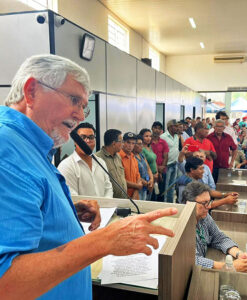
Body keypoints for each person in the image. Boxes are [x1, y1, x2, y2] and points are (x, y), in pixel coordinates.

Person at [0, 54, 177, 299]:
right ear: (31, 91)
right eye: (74, 99)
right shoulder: (5, 150)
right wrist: (104, 241)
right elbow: (5, 283)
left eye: (84, 106)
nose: (81, 116)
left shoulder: (30, 145)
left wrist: (65, 211)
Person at [182, 182, 247, 272]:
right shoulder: (183, 226)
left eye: (209, 202)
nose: (209, 206)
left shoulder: (204, 217)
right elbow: (191, 260)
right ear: (189, 203)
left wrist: (239, 253)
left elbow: (218, 237)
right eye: (204, 203)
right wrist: (228, 266)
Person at [58, 122, 113, 198]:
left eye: (91, 137)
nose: (87, 141)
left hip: (105, 209)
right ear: (75, 141)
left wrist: (106, 208)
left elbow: (108, 189)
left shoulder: (101, 162)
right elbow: (72, 197)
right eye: (83, 137)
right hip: (82, 210)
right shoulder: (66, 165)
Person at [95, 129, 127, 199]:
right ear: (114, 143)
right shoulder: (98, 158)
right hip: (110, 202)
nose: (123, 144)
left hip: (123, 199)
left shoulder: (118, 156)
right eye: (121, 141)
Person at [119, 132, 143, 200]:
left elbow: (138, 176)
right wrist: (137, 186)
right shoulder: (118, 157)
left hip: (135, 195)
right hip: (123, 196)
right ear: (123, 142)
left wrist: (136, 191)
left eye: (133, 143)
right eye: (128, 142)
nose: (130, 146)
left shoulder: (133, 157)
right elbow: (121, 180)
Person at [160, 119, 179, 202]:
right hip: (167, 165)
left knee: (172, 187)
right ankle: (164, 205)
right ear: (171, 127)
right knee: (166, 188)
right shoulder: (163, 137)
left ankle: (170, 203)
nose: (178, 128)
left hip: (175, 164)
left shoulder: (176, 137)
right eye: (176, 126)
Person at [151, 121, 169, 201]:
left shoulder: (163, 142)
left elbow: (166, 156)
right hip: (152, 171)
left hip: (162, 171)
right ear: (152, 128)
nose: (157, 130)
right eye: (155, 128)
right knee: (152, 193)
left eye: (159, 129)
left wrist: (162, 169)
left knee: (161, 192)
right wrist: (157, 169)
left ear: (161, 131)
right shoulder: (148, 142)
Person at [133, 135, 154, 200]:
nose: (141, 146)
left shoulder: (141, 155)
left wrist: (151, 179)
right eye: (139, 144)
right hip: (138, 187)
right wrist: (143, 181)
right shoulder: (132, 157)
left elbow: (148, 168)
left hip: (146, 186)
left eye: (142, 144)